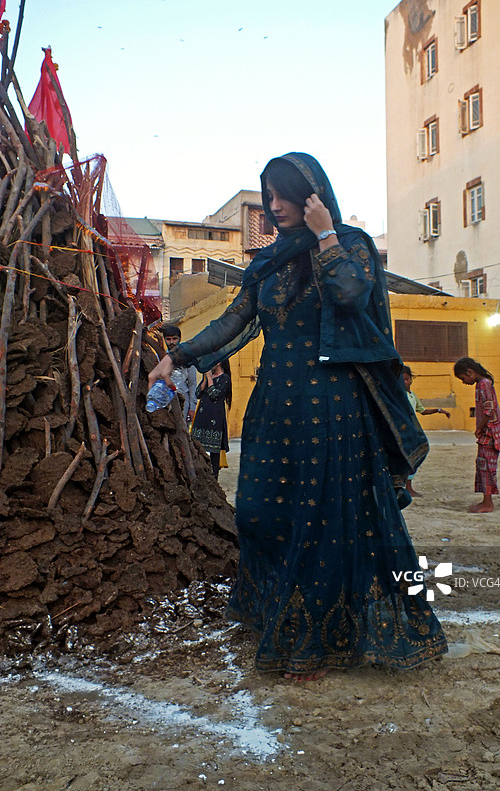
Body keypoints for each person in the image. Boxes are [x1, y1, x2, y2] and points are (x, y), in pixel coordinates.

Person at [149, 152, 447, 680]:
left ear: (313, 197)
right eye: (268, 197)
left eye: (284, 195)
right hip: (275, 405)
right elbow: (236, 321)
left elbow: (352, 296)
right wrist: (178, 356)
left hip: (331, 407)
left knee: (322, 522)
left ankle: (316, 639)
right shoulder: (269, 261)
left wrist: (327, 236)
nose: (274, 206)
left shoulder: (350, 245)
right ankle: (275, 613)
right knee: (260, 512)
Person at [453, 357, 500, 513]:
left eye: (463, 378)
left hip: (490, 433)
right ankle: (486, 500)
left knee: (487, 466)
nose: (463, 382)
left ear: (470, 372)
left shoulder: (484, 384)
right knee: (483, 465)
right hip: (488, 432)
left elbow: (488, 409)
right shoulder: (482, 384)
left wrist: (480, 427)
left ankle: (488, 503)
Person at [401, 365, 450, 497]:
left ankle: (408, 485)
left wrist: (438, 410)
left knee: (415, 456)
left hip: (412, 431)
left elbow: (422, 411)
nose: (404, 382)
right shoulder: (398, 395)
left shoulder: (412, 396)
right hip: (402, 431)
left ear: (411, 379)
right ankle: (404, 486)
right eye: (401, 379)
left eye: (406, 379)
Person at [190, 360, 232, 479]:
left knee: (214, 450)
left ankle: (214, 477)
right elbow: (198, 394)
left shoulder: (225, 378)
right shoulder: (208, 377)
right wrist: (205, 379)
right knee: (197, 446)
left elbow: (215, 395)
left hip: (215, 418)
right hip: (202, 417)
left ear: (218, 362)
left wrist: (209, 378)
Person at [162, 325, 196, 421]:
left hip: (182, 399)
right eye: (168, 339)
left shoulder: (187, 358)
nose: (171, 342)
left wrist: (192, 408)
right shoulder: (160, 357)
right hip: (164, 400)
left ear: (180, 339)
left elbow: (192, 384)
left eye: (174, 339)